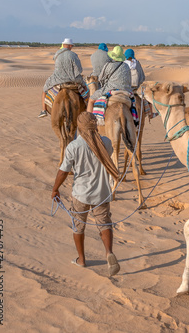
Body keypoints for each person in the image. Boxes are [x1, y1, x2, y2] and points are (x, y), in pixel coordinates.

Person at [51, 112, 120, 275]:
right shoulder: (106, 142)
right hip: (101, 192)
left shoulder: (73, 147)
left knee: (78, 226)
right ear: (95, 125)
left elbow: (63, 171)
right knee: (104, 223)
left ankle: (81, 260)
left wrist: (55, 189)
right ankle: (109, 253)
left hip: (81, 194)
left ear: (80, 127)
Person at [38, 38, 86, 118]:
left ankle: (44, 110)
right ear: (70, 46)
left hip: (56, 79)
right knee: (85, 88)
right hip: (72, 79)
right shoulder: (73, 55)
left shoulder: (56, 54)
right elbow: (79, 70)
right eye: (72, 46)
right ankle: (88, 107)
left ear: (63, 45)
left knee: (44, 91)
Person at [87, 46, 132, 113]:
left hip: (109, 89)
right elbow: (129, 80)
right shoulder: (126, 66)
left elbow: (101, 78)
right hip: (126, 90)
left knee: (91, 100)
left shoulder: (108, 65)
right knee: (135, 103)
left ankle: (89, 121)